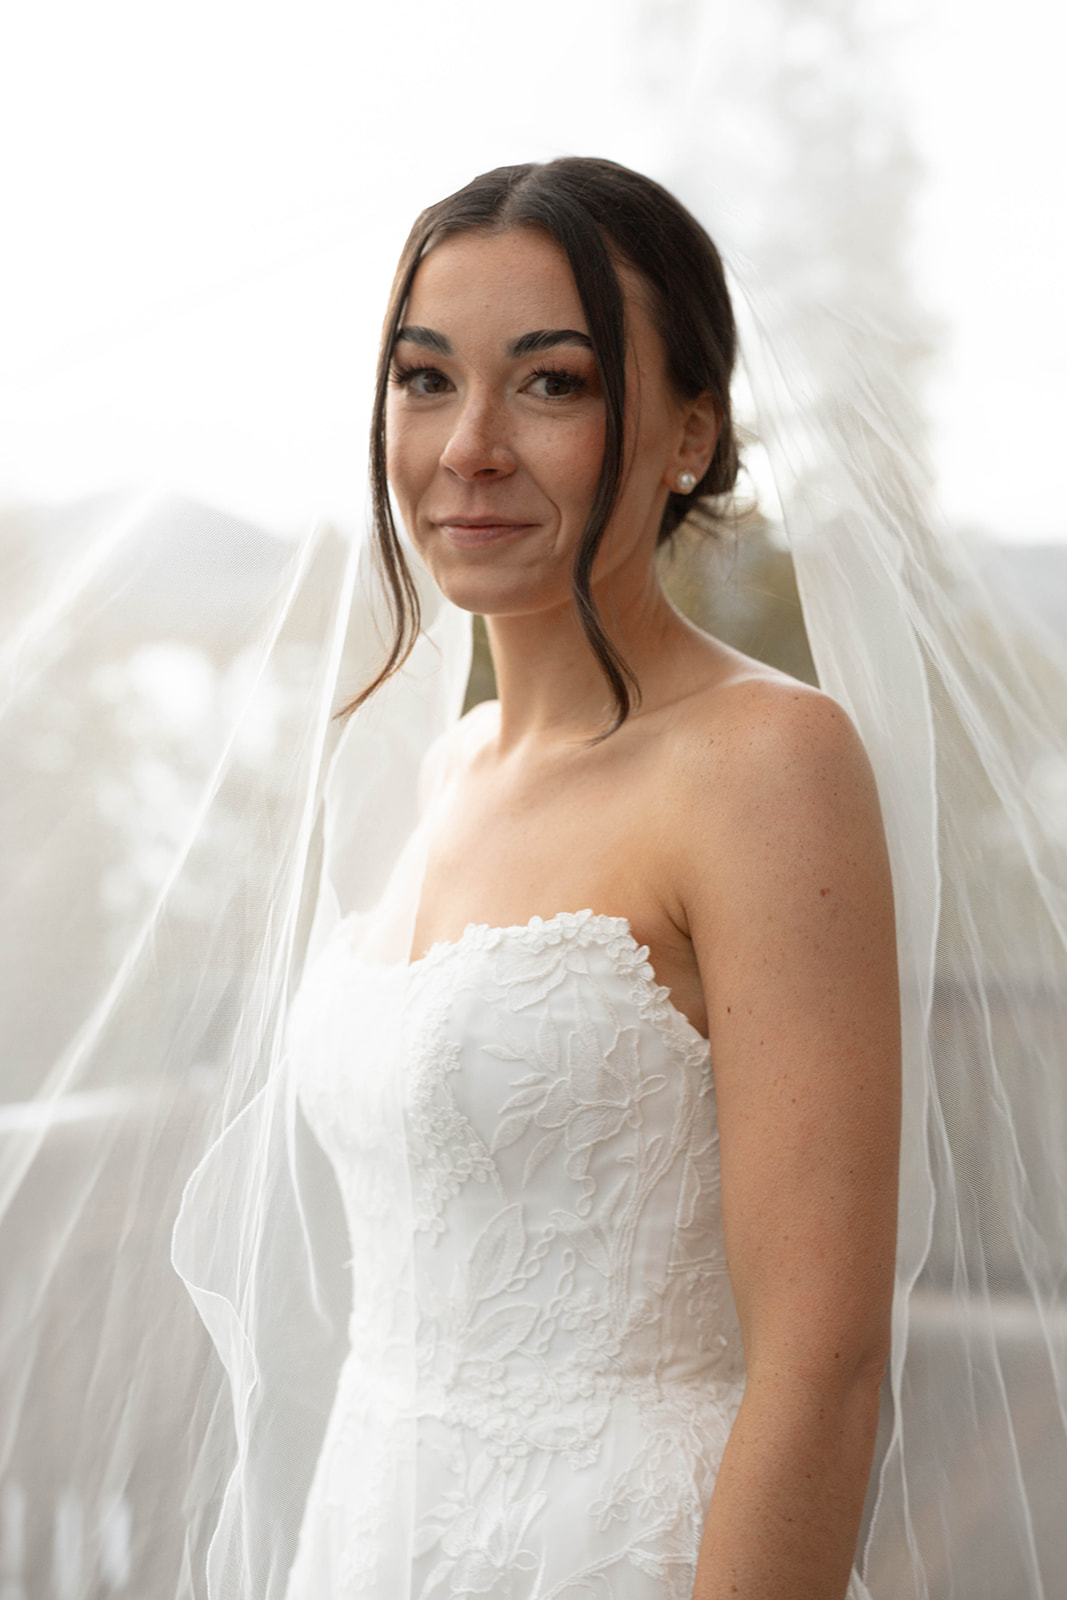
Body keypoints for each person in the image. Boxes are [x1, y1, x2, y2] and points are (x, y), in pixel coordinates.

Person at [278, 157, 900, 1600]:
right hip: (374, 1527)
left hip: (622, 1551)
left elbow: (825, 1361)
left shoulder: (767, 765)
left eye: (551, 385)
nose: (469, 446)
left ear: (691, 433)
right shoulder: (447, 763)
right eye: (426, 380)